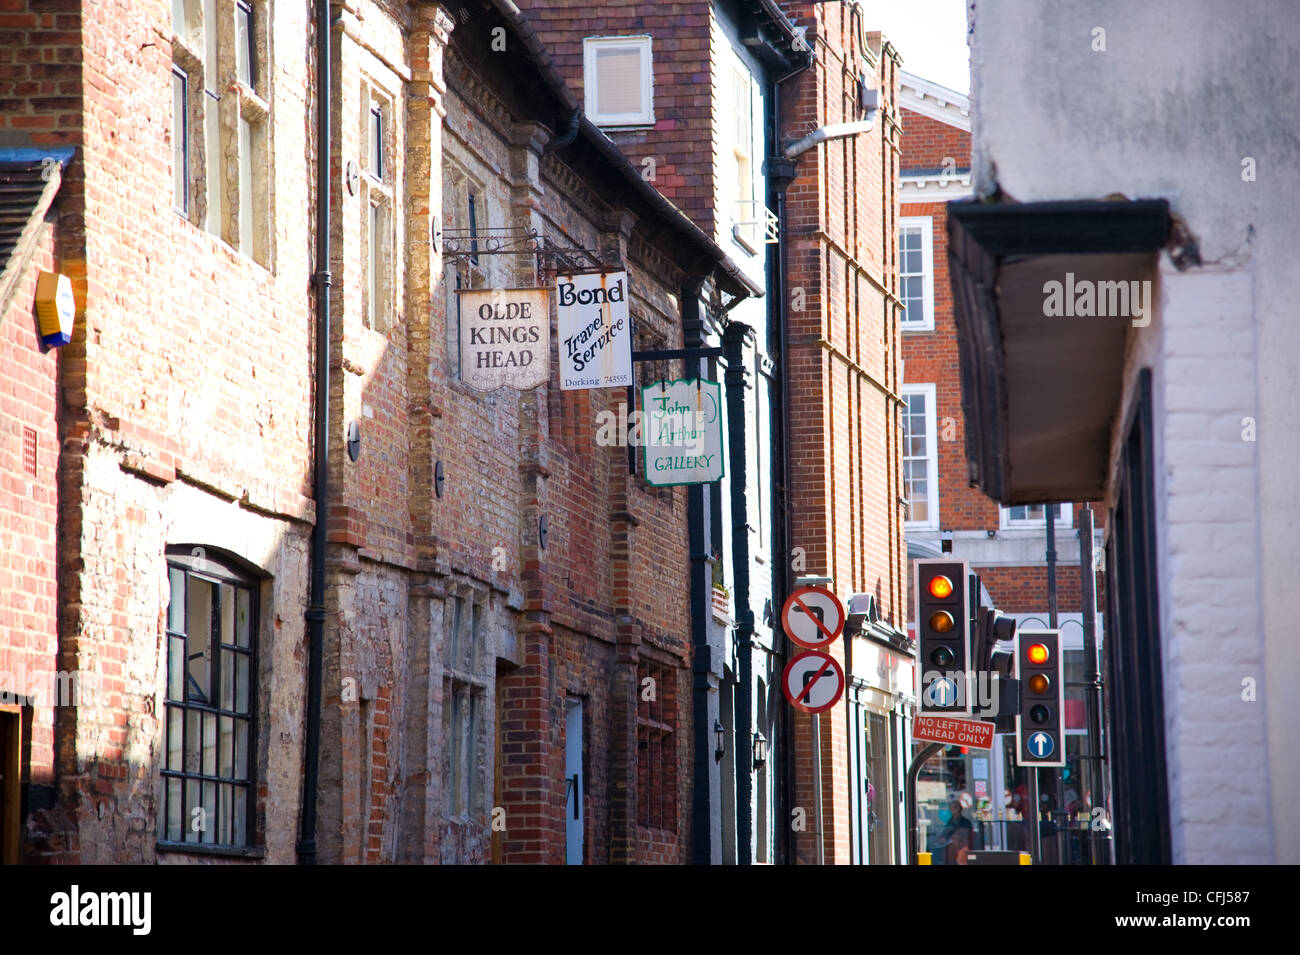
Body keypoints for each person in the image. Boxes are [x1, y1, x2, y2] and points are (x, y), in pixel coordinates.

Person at [940, 798, 974, 864]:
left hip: (961, 847)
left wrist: (954, 838)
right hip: (950, 847)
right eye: (951, 808)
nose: (952, 809)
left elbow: (964, 836)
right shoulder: (950, 821)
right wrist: (943, 837)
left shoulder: (965, 822)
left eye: (954, 807)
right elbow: (945, 832)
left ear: (959, 809)